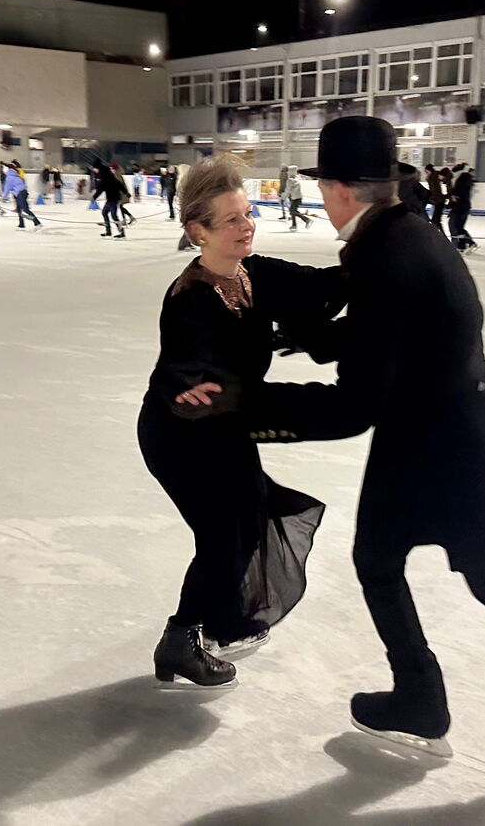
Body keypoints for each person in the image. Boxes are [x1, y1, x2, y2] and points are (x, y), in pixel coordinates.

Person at [224, 116, 485, 760]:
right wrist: (315, 338)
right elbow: (399, 328)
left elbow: (352, 408)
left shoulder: (385, 255)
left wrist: (246, 413)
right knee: (484, 566)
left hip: (428, 438)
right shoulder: (409, 232)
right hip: (466, 422)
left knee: (378, 562)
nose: (322, 199)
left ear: (339, 190)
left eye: (323, 187)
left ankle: (420, 698)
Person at [139, 154, 340, 688]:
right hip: (180, 436)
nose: (246, 226)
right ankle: (182, 640)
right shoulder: (189, 299)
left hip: (226, 429)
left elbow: (322, 286)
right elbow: (185, 375)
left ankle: (214, 625)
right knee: (224, 534)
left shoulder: (256, 273)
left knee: (245, 526)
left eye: (247, 214)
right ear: (197, 232)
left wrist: (379, 263)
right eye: (231, 220)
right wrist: (188, 386)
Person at [447, 163, 477, 253]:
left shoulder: (461, 179)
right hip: (464, 206)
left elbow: (458, 192)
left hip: (460, 206)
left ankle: (470, 242)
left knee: (457, 226)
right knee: (459, 226)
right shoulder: (467, 179)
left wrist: (455, 196)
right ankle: (461, 246)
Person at [2, 163, 41, 230]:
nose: (3, 170)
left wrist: (4, 197)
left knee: (25, 209)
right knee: (19, 210)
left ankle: (37, 223)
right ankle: (21, 225)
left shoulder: (9, 177)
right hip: (21, 192)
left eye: (4, 168)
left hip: (20, 194)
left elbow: (7, 188)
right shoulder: (15, 175)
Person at [92, 164, 125, 237]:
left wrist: (94, 196)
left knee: (113, 215)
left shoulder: (107, 177)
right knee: (104, 212)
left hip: (113, 198)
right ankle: (108, 231)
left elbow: (101, 188)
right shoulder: (107, 176)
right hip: (111, 198)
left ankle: (121, 232)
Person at [286, 165, 311, 231]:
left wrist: (283, 196)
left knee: (292, 211)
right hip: (296, 198)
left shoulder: (290, 180)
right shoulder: (295, 179)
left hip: (295, 198)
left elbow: (288, 190)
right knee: (293, 211)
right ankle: (294, 225)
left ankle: (307, 220)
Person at [425, 163, 447, 237]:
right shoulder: (432, 176)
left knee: (436, 220)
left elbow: (434, 189)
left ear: (429, 170)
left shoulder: (435, 175)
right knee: (435, 220)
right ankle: (438, 235)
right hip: (438, 200)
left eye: (426, 171)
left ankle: (441, 236)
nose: (426, 173)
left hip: (439, 200)